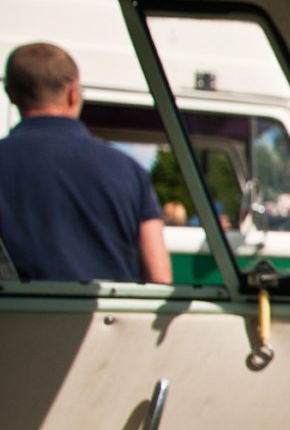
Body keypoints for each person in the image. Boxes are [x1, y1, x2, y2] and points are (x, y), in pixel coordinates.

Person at [0, 42, 170, 283]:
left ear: (11, 94)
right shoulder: (128, 169)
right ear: (72, 92)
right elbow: (159, 276)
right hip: (106, 318)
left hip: (12, 319)